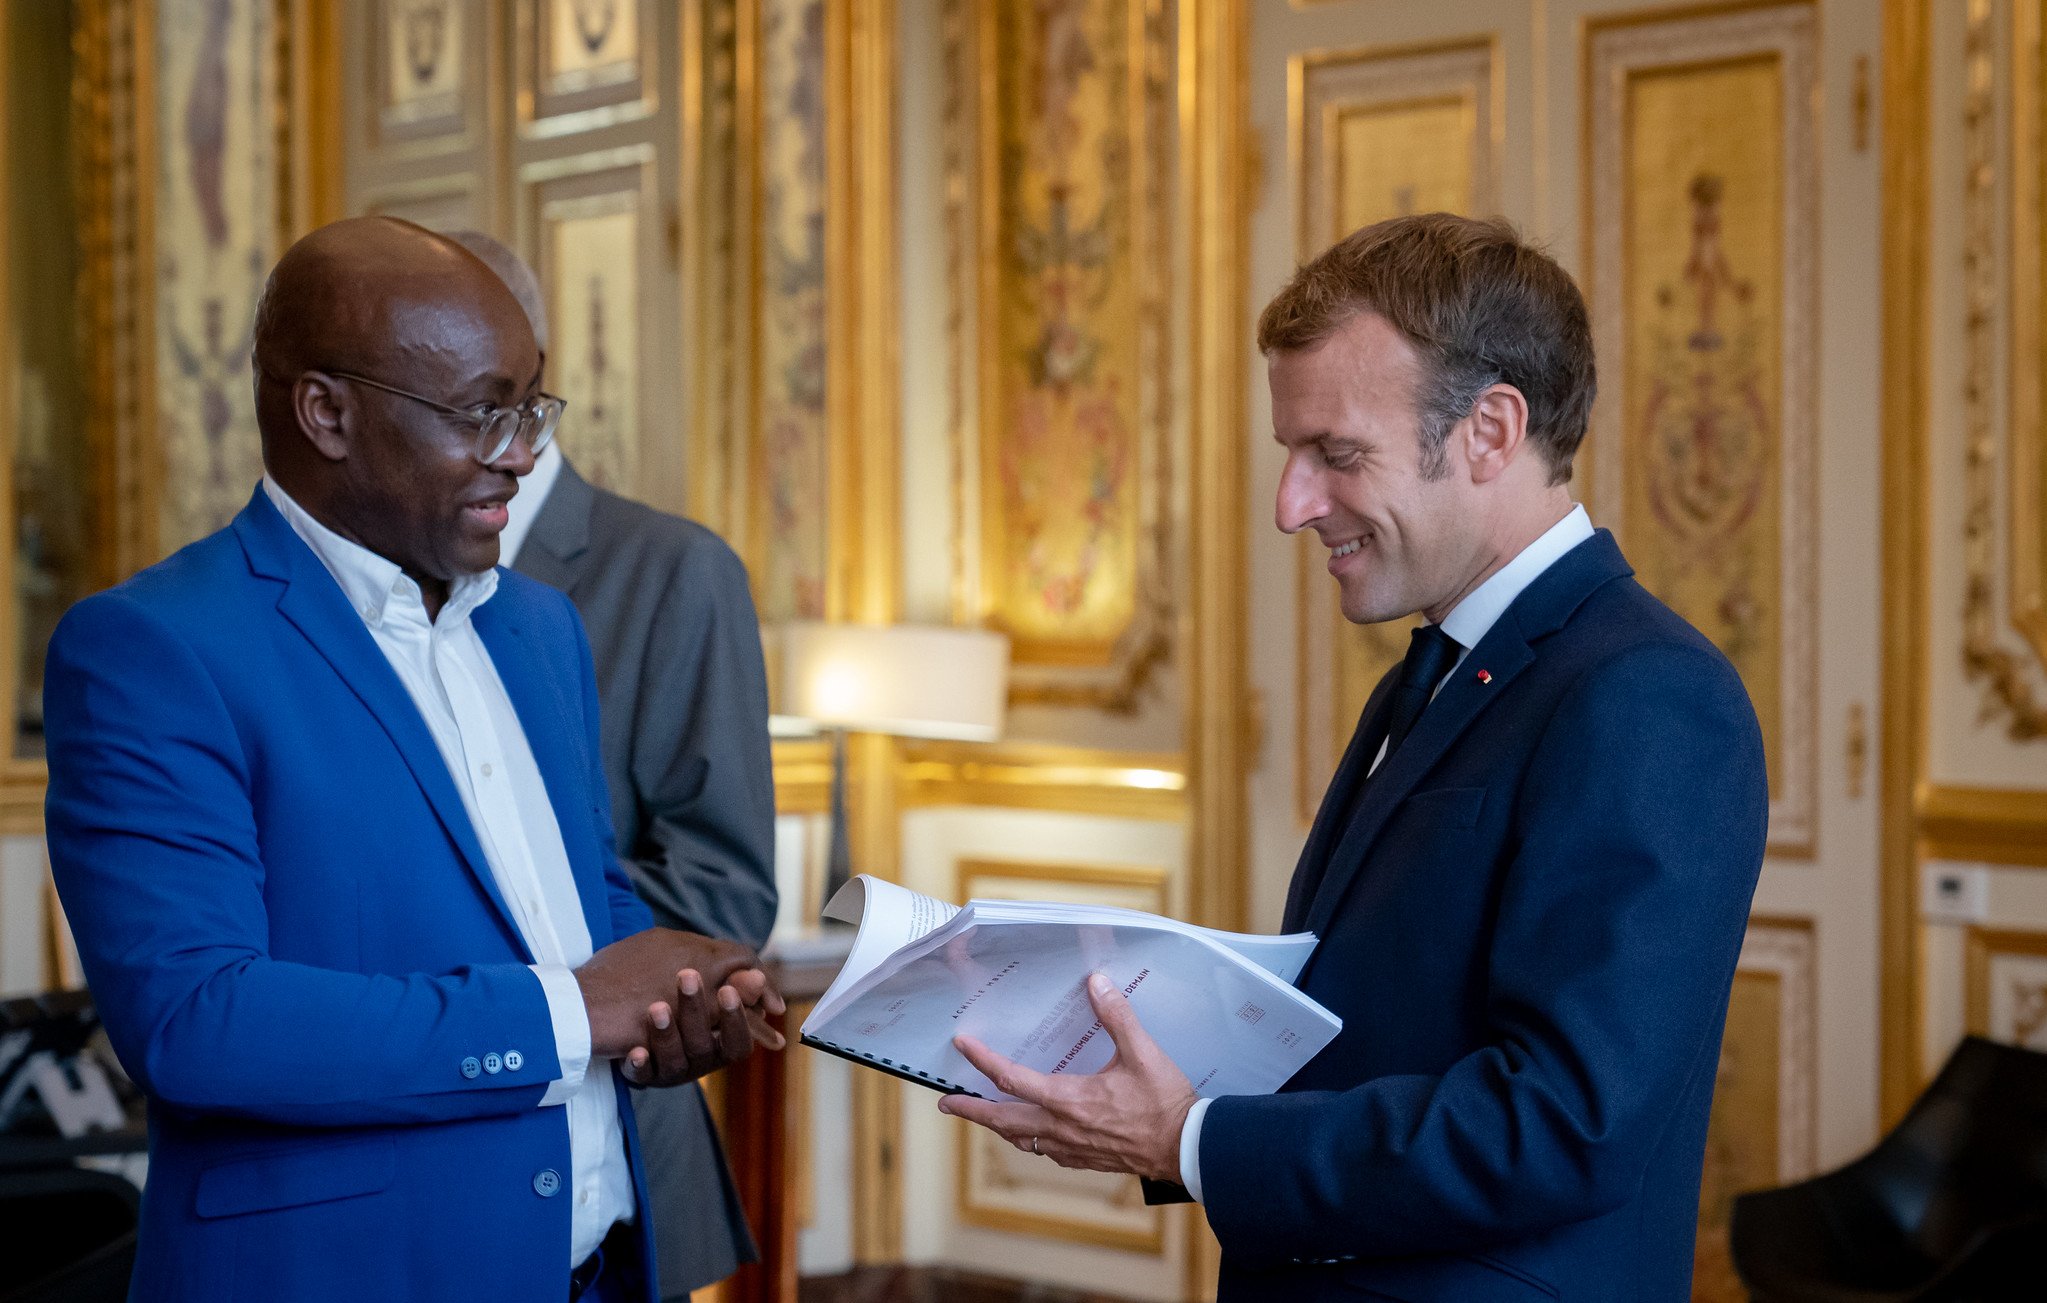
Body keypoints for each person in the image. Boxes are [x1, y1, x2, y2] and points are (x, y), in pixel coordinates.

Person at [938, 213, 1768, 1302]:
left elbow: (1564, 1122)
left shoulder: (1648, 695)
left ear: (1489, 431)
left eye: (1335, 454)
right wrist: (1154, 1088)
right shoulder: (1431, 672)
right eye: (1292, 454)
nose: (1292, 505)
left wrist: (1193, 1138)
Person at [43, 216, 784, 1303]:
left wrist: (677, 1001)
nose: (523, 452)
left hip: (606, 1269)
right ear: (326, 413)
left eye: (531, 406)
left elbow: (581, 913)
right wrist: (569, 1012)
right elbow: (196, 1020)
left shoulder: (539, 629)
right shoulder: (153, 648)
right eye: (483, 412)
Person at [448, 230, 778, 1296]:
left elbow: (724, 890)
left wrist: (491, 980)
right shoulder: (373, 583)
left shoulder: (675, 572)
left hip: (617, 1152)